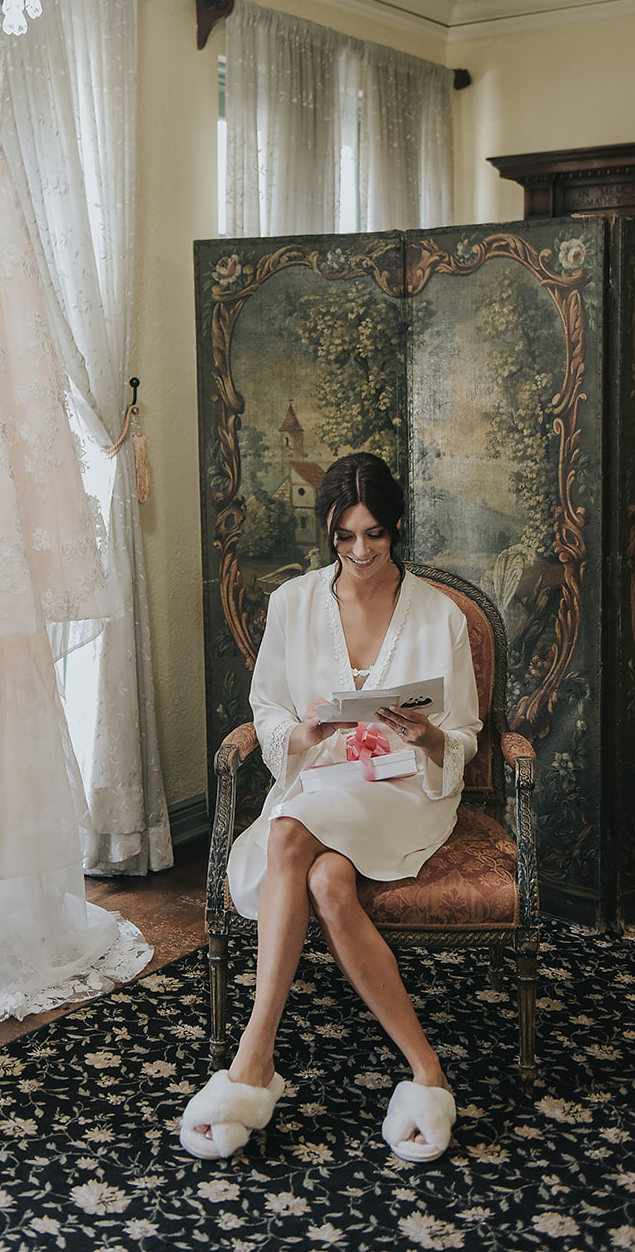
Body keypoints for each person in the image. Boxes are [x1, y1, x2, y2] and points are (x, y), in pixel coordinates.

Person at [180, 452, 480, 1163]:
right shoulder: (292, 603)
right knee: (324, 879)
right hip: (321, 779)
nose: (359, 551)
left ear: (396, 526)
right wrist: (305, 732)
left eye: (373, 534)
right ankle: (428, 1074)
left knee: (287, 834)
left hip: (404, 789)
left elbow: (461, 731)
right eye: (344, 536)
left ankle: (253, 1061)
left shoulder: (440, 616)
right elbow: (268, 709)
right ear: (327, 532)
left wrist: (428, 732)